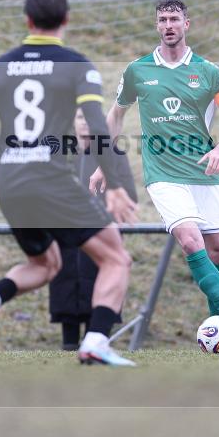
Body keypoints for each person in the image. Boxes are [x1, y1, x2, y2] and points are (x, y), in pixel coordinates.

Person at [0, 0, 138, 366]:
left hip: (11, 184)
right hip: (51, 180)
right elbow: (96, 124)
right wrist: (117, 186)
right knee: (116, 259)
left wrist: (10, 156)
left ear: (27, 20)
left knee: (47, 264)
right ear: (66, 20)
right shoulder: (76, 65)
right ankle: (96, 341)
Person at [89, 0, 219, 347]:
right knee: (190, 240)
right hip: (164, 176)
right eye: (162, 19)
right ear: (157, 26)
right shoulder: (138, 71)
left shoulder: (209, 73)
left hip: (204, 174)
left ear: (187, 24)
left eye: (174, 19)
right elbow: (115, 118)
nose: (168, 25)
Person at [49, 109, 138, 350]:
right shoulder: (59, 152)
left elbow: (129, 195)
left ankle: (96, 342)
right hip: (66, 237)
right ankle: (68, 347)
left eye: (90, 118)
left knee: (97, 287)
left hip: (100, 236)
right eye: (79, 118)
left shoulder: (114, 155)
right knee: (65, 292)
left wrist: (107, 215)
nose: (85, 124)